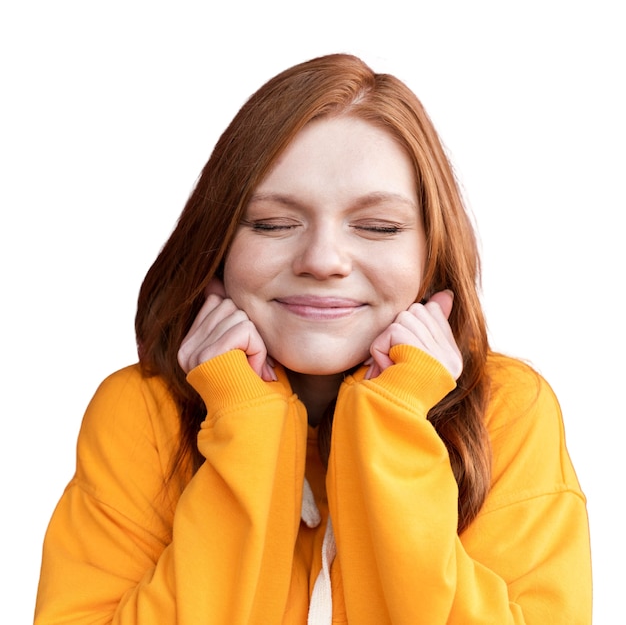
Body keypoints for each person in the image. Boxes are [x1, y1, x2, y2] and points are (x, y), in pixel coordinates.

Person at [34, 53, 592, 624]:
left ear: (431, 253)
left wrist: (393, 426)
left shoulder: (509, 411)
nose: (323, 260)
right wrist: (244, 426)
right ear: (219, 245)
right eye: (274, 224)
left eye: (378, 227)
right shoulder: (138, 415)